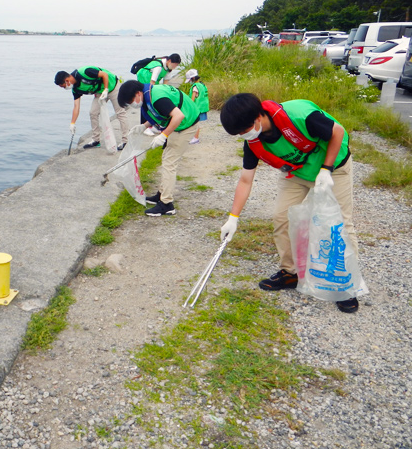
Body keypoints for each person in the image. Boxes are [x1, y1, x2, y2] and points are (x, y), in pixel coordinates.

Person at [218, 93, 359, 313]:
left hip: (334, 167)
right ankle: (290, 273)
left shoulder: (299, 115)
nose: (244, 136)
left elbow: (337, 132)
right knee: (282, 218)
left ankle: (346, 285)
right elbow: (245, 180)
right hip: (298, 173)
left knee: (339, 224)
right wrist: (232, 219)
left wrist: (327, 169)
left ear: (258, 116)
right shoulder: (252, 142)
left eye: (244, 130)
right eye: (239, 134)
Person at [117, 80, 200, 216]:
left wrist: (163, 135)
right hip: (180, 123)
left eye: (131, 101)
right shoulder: (149, 94)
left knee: (169, 163)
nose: (132, 105)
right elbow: (159, 113)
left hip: (187, 124)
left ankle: (167, 204)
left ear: (138, 93)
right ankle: (161, 194)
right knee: (166, 158)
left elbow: (178, 116)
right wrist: (144, 126)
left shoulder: (157, 97)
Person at [54, 67, 129, 150]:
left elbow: (104, 74)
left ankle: (125, 141)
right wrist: (72, 123)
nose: (64, 88)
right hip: (100, 92)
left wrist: (106, 89)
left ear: (67, 81)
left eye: (63, 86)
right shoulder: (76, 89)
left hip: (113, 86)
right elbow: (76, 106)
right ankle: (96, 140)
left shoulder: (85, 72)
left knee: (120, 113)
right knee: (93, 113)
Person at [135, 54, 182, 136]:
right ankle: (145, 127)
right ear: (170, 61)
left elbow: (165, 85)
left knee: (156, 103)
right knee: (146, 103)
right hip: (144, 79)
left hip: (152, 82)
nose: (175, 67)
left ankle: (154, 125)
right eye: (175, 65)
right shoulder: (158, 67)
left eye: (177, 66)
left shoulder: (168, 69)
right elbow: (151, 83)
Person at [185, 69, 209, 144]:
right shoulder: (202, 85)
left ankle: (195, 138)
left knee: (195, 123)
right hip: (203, 107)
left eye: (189, 80)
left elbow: (192, 99)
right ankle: (194, 137)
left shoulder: (195, 87)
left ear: (192, 78)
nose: (189, 82)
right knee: (196, 123)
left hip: (197, 108)